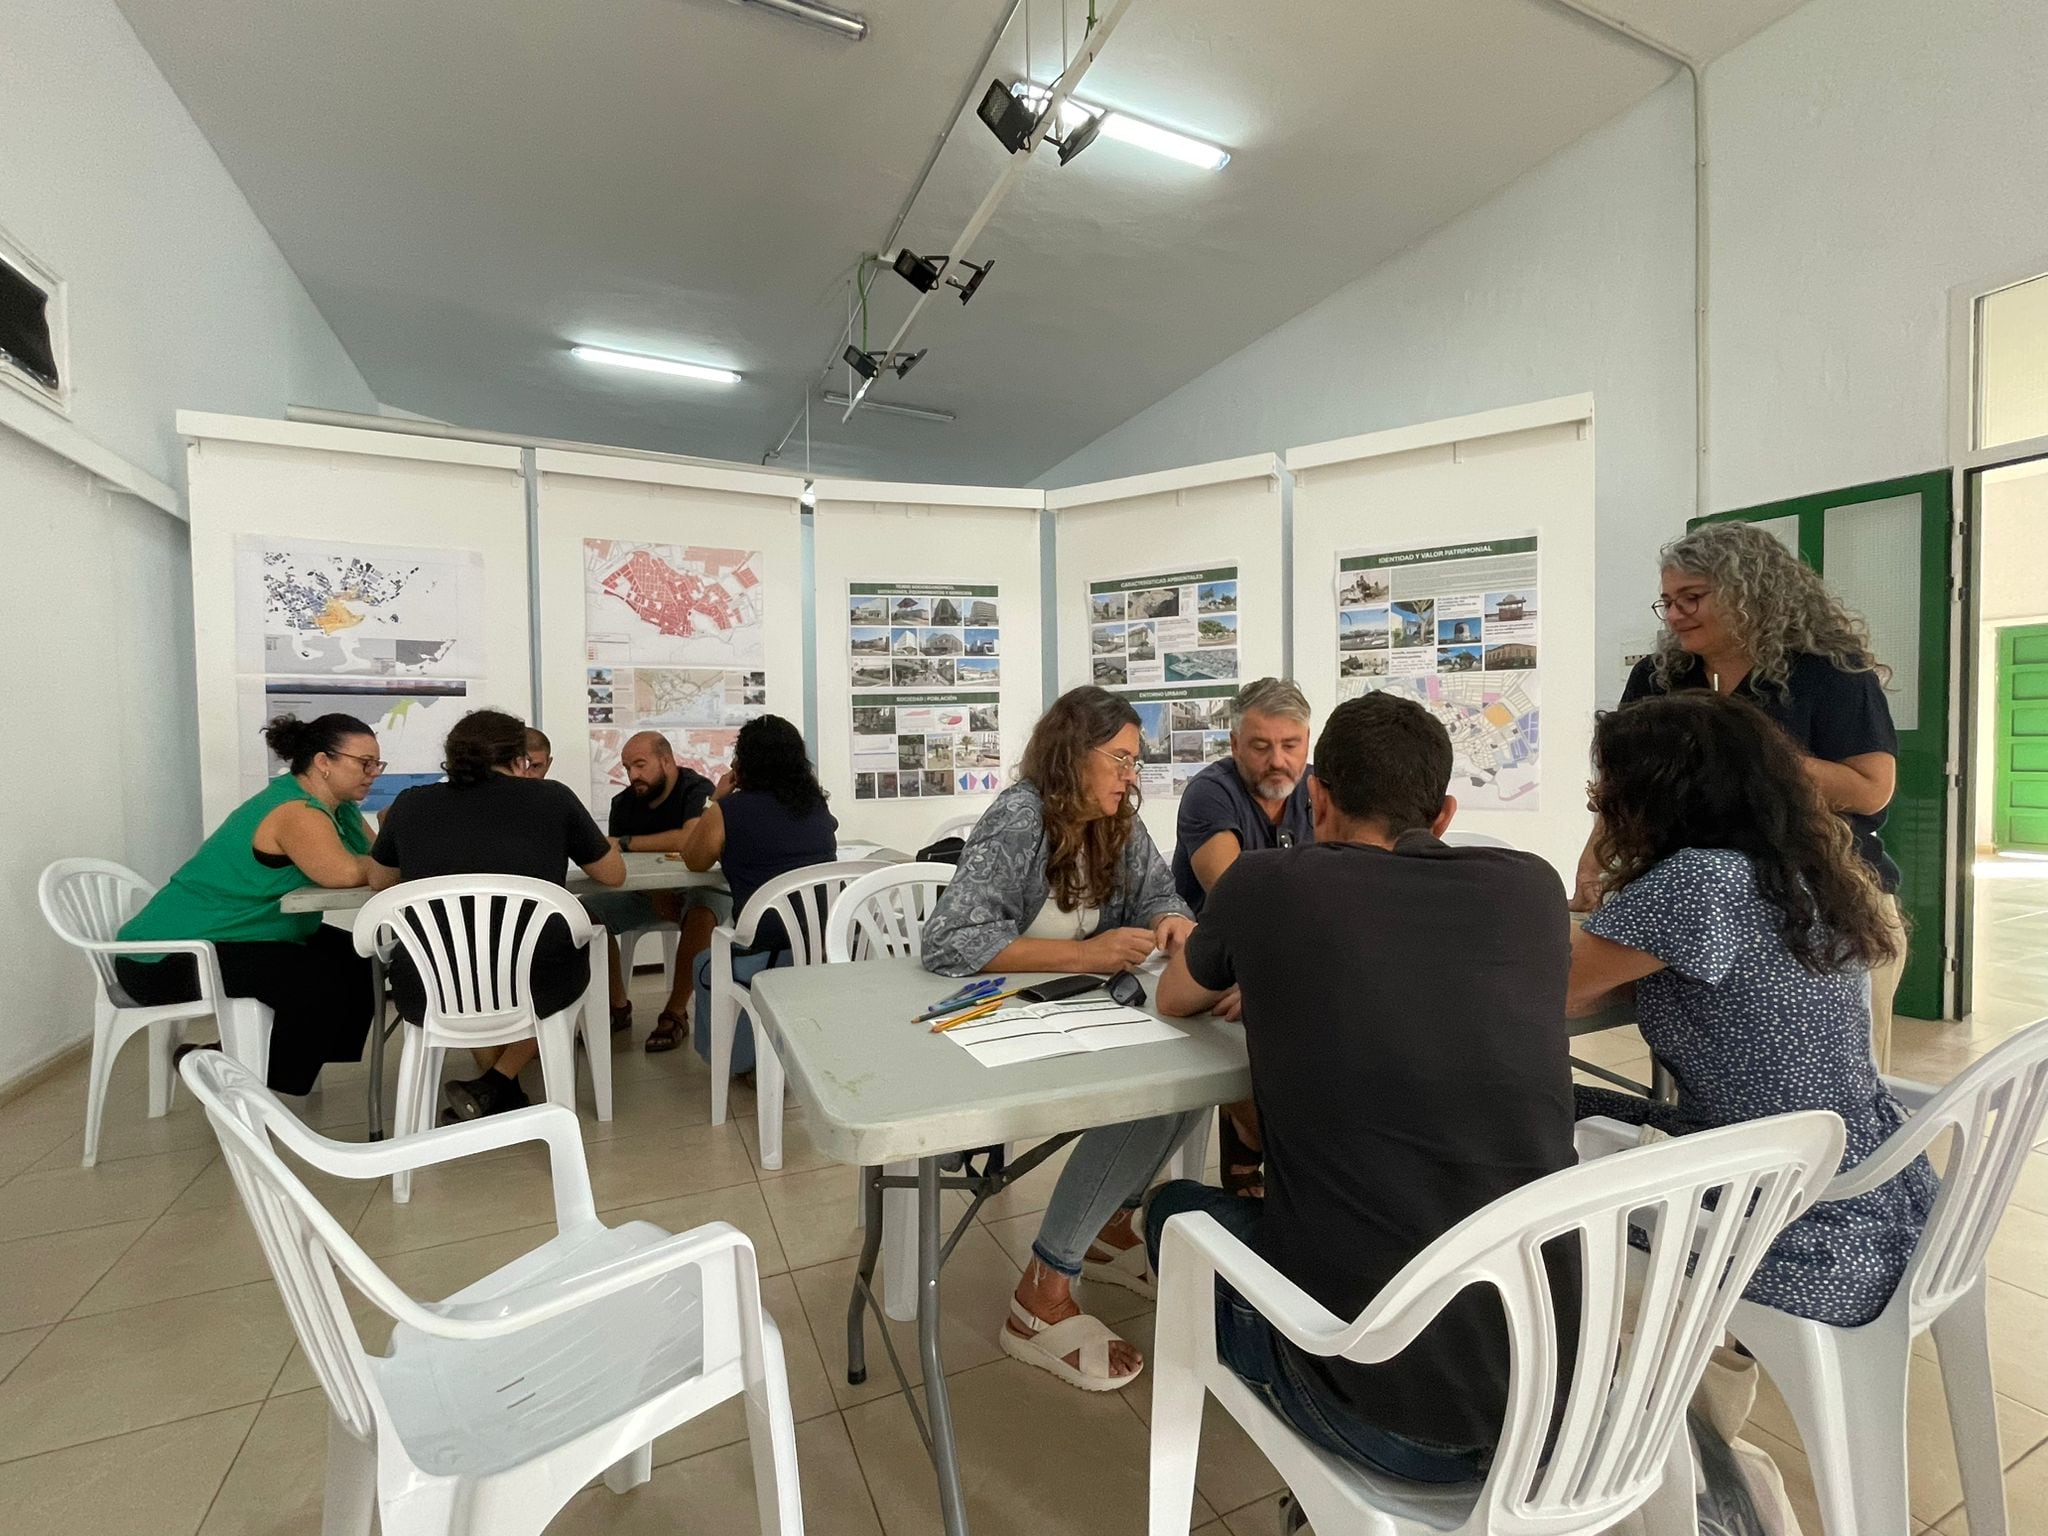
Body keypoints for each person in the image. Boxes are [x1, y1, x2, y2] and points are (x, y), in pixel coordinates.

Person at [1149, 692, 1577, 1480]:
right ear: (1445, 813)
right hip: (1562, 1404)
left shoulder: (1268, 884)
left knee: (1176, 1212)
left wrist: (1262, 967)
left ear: (1318, 797)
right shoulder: (1533, 889)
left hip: (1387, 1418)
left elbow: (1174, 997)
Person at [1569, 691, 1933, 1326]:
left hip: (1790, 1219)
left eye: (1610, 783)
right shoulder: (1800, 870)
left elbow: (1552, 991)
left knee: (1533, 1115)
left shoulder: (1697, 883)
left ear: (1662, 791)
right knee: (1575, 1107)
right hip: (1881, 1191)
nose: (1598, 799)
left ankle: (1542, 1337)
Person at [921, 686, 1199, 1391]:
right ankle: (1040, 1295)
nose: (1131, 776)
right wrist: (1089, 954)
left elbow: (1161, 892)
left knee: (1189, 1075)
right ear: (1074, 756)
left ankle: (1106, 1229)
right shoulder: (1021, 817)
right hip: (999, 1018)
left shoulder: (1117, 820)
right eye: (1122, 759)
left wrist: (1172, 922)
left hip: (1068, 1013)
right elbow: (951, 941)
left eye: (1135, 762)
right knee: (1151, 1091)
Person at [1578, 521, 1907, 1068]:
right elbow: (1625, 789)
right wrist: (1595, 860)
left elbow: (1871, 790)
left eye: (1693, 598)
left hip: (1825, 898)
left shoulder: (1829, 672)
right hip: (1700, 901)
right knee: (1714, 1073)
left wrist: (1748, 755)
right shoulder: (1658, 678)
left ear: (1751, 592)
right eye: (1668, 601)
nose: (1677, 613)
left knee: (1833, 1075)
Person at [366, 710, 625, 1119]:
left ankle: (495, 1086)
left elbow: (379, 880)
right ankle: (499, 1081)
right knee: (573, 945)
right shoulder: (551, 798)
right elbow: (613, 875)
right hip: (534, 980)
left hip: (429, 984)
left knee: (464, 960)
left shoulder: (411, 804)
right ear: (521, 759)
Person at [115, 714, 381, 1095]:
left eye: (376, 764)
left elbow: (372, 860)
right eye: (364, 763)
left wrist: (387, 854)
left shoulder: (338, 808)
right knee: (317, 981)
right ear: (324, 762)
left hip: (241, 934)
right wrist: (394, 855)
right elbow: (343, 873)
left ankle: (235, 1060)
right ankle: (246, 1080)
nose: (373, 773)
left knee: (360, 961)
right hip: (164, 957)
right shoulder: (295, 811)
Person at [1169, 676, 1314, 1196]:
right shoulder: (1211, 792)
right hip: (1206, 963)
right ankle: (1255, 1163)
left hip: (1288, 961)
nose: (1278, 760)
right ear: (1234, 746)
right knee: (1242, 1037)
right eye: (1261, 747)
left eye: (1290, 745)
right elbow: (1235, 900)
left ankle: (1277, 1164)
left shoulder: (1323, 791)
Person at [676, 715, 839, 1076]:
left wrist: (714, 799)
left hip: (765, 952)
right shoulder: (817, 807)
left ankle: (738, 1064)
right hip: (825, 949)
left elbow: (694, 859)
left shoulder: (729, 810)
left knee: (705, 963)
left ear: (743, 762)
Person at [581, 731, 723, 1052]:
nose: (633, 775)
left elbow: (690, 839)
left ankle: (675, 1012)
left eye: (640, 765)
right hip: (645, 894)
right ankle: (618, 1006)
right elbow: (615, 864)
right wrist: (653, 894)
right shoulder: (623, 803)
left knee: (702, 912)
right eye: (627, 767)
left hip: (701, 889)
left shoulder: (697, 789)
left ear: (667, 761)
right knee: (584, 913)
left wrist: (628, 842)